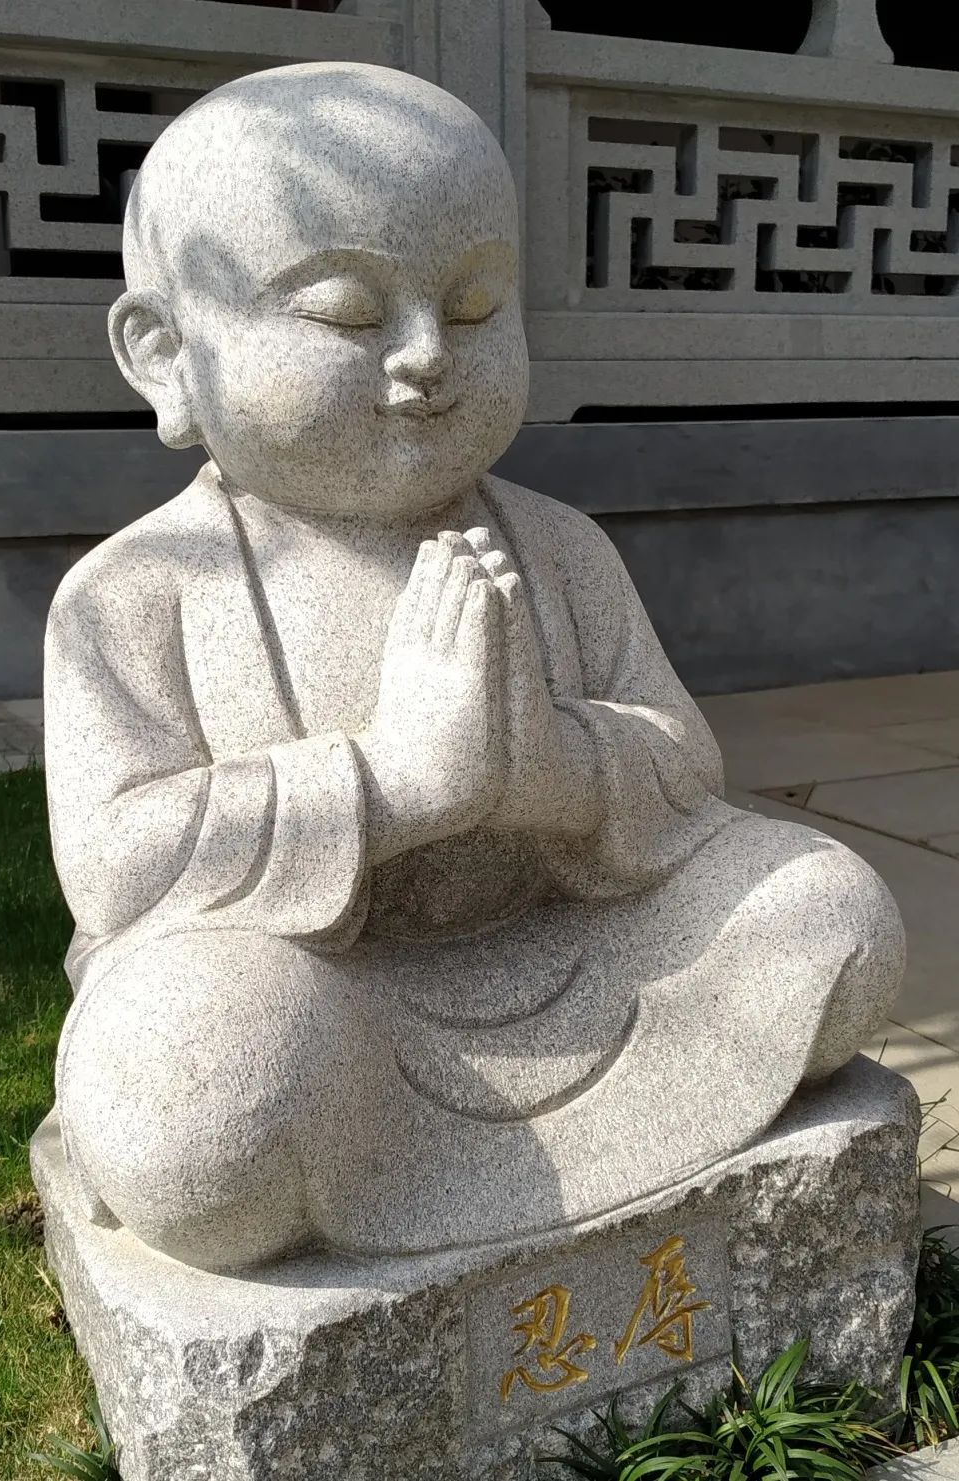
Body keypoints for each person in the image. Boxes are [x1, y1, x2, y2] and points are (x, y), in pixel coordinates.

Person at [44, 62, 904, 1273]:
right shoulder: (137, 593)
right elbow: (121, 866)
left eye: (477, 304)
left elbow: (681, 761)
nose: (425, 355)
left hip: (571, 955)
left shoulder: (560, 547)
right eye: (347, 313)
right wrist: (393, 781)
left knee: (829, 909)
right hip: (323, 1007)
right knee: (197, 1098)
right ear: (164, 353)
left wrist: (547, 765)